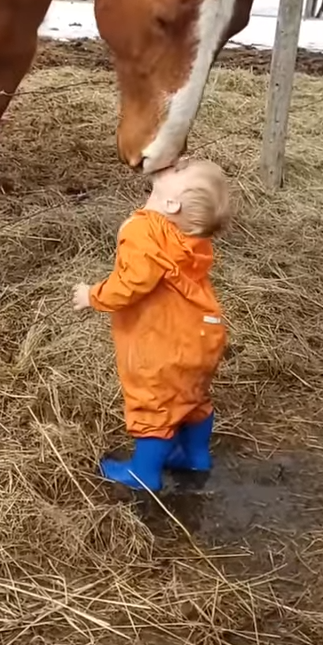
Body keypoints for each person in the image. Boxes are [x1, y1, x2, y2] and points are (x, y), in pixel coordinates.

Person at [72, 159, 229, 491]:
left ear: (172, 203)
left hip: (164, 342)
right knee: (193, 396)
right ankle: (195, 455)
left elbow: (129, 284)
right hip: (203, 333)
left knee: (153, 402)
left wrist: (92, 295)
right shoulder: (189, 237)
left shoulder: (144, 232)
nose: (174, 165)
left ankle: (143, 474)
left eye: (179, 172)